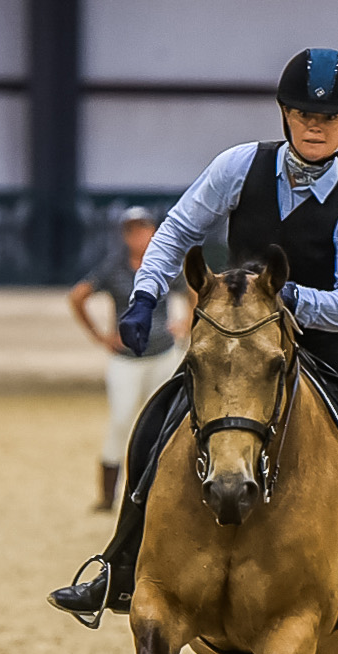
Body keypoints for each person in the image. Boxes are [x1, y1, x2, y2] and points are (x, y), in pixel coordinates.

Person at [48, 48, 338, 646]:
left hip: (327, 342)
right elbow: (177, 229)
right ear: (283, 113)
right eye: (302, 113)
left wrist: (284, 300)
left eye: (328, 117)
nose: (314, 124)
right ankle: (117, 568)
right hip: (239, 344)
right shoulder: (238, 167)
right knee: (156, 420)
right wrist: (145, 295)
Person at [68, 207, 190, 511]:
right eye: (133, 231)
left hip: (163, 351)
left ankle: (163, 486)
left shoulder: (165, 265)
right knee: (122, 419)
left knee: (167, 421)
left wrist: (186, 323)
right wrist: (99, 335)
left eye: (144, 230)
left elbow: (193, 292)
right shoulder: (113, 269)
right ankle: (108, 494)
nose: (139, 237)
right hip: (127, 357)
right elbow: (78, 295)